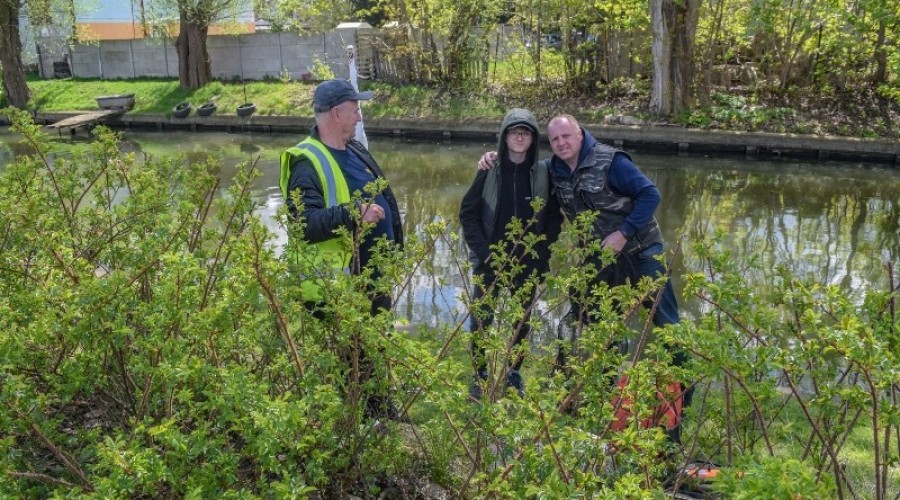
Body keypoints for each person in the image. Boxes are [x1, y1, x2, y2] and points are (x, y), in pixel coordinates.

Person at [478, 115, 691, 426]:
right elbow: (523, 172)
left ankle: (679, 411)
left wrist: (623, 233)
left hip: (641, 252)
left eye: (567, 136)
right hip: (601, 262)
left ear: (580, 134)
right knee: (592, 325)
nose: (562, 143)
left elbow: (650, 195)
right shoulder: (555, 169)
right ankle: (590, 400)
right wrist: (493, 158)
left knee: (668, 329)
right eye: (555, 140)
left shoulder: (611, 161)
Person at [280, 79, 405, 419]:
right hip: (341, 286)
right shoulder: (307, 162)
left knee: (377, 345)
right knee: (352, 356)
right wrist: (354, 213)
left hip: (374, 275)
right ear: (336, 114)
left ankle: (383, 412)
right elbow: (303, 225)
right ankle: (356, 426)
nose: (360, 118)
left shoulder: (354, 148)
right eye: (355, 110)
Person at [459, 108, 562, 401]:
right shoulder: (488, 169)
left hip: (526, 263)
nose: (520, 136)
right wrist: (484, 253)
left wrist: (540, 256)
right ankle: (479, 376)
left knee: (522, 320)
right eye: (514, 131)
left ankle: (513, 374)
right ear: (504, 136)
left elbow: (554, 219)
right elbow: (468, 214)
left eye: (526, 132)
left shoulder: (543, 173)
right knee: (482, 319)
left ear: (533, 139)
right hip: (490, 260)